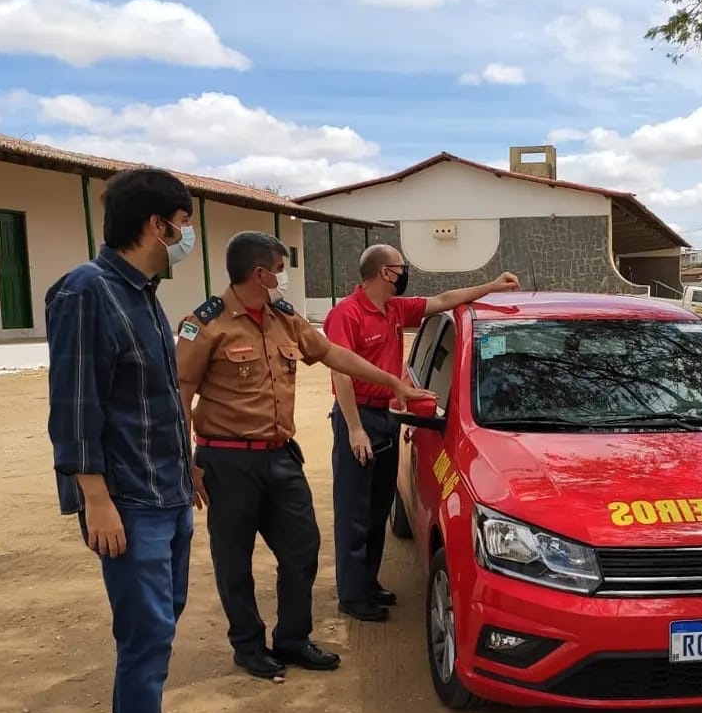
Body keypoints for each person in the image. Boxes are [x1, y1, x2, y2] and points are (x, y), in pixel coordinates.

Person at [45, 168, 228, 713]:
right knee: (147, 637)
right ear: (159, 224)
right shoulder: (88, 292)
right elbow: (73, 406)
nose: (187, 237)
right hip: (129, 503)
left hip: (167, 494)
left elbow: (158, 404)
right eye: (184, 224)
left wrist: (189, 472)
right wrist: (94, 498)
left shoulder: (143, 295)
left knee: (156, 628)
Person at [174, 233, 432, 680]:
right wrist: (183, 460)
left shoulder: (284, 318)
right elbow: (180, 393)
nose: (283, 276)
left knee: (302, 549)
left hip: (279, 456)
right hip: (227, 459)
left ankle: (293, 638)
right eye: (280, 267)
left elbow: (334, 355)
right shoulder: (204, 325)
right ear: (261, 274)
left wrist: (393, 384)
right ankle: (249, 646)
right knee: (234, 559)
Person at [324, 245, 519, 621]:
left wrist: (491, 286)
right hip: (358, 417)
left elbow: (444, 300)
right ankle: (352, 595)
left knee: (378, 507)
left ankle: (367, 582)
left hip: (387, 416)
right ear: (385, 272)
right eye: (401, 267)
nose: (405, 272)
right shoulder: (345, 314)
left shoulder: (395, 308)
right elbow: (341, 374)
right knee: (354, 512)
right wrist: (354, 429)